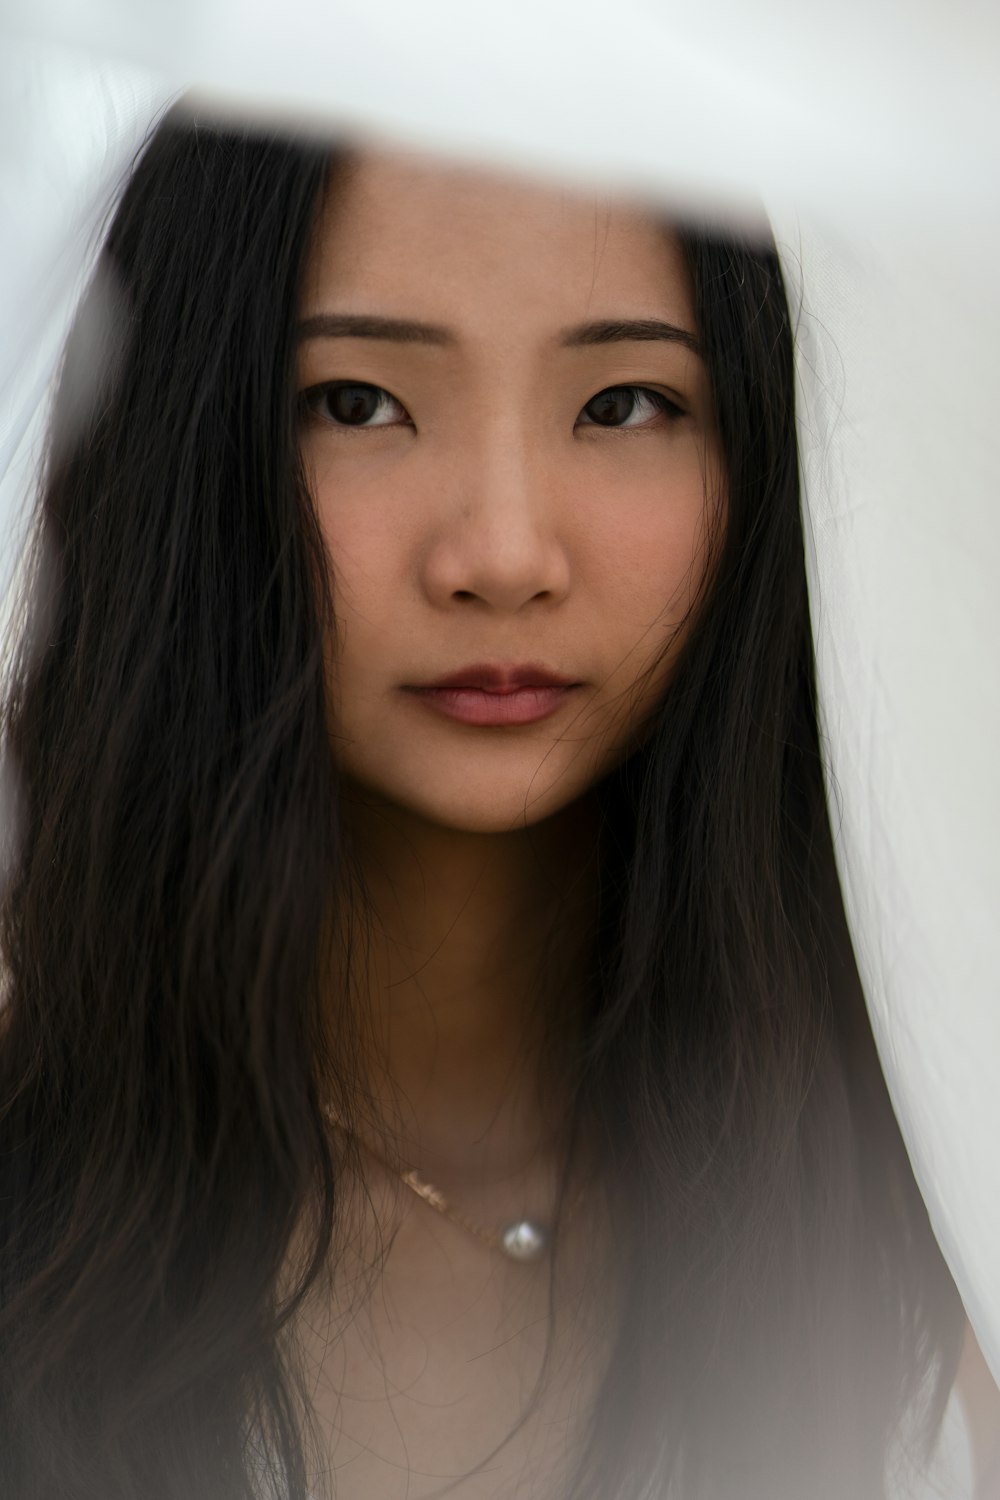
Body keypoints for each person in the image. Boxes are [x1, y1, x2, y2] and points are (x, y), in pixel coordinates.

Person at [0, 101, 985, 1500]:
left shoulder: (936, 1203)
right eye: (360, 403)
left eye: (624, 404)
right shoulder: (49, 1202)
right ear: (190, 441)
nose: (503, 552)